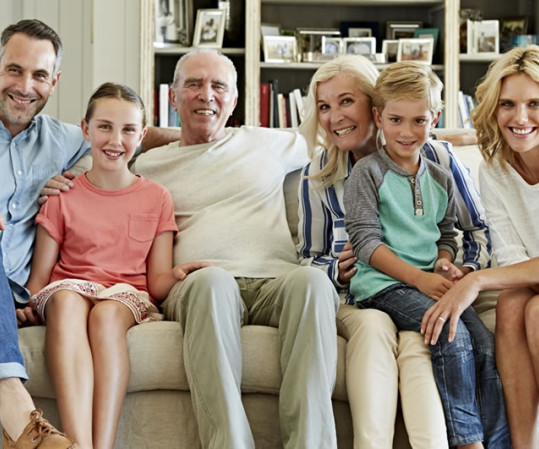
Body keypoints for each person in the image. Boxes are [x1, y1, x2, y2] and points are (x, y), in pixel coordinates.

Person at [129, 49, 340, 449]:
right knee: (212, 282)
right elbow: (98, 158)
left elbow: (356, 135)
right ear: (172, 97)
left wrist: (466, 135)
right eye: (192, 85)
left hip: (276, 280)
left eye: (217, 87)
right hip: (199, 284)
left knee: (312, 282)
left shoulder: (267, 142)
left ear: (234, 100)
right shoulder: (148, 165)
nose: (205, 95)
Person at [297, 54, 493, 449]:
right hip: (368, 292)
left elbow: (469, 232)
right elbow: (308, 257)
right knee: (403, 332)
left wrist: (455, 266)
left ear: (372, 105)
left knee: (467, 341)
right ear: (384, 114)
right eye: (324, 107)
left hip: (427, 284)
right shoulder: (317, 176)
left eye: (346, 101)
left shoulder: (437, 161)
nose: (336, 117)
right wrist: (337, 267)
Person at [0, 18, 178, 448]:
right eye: (14, 70)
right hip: (34, 289)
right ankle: (24, 415)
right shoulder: (69, 191)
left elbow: (132, 133)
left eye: (39, 75)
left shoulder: (61, 139)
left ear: (54, 81)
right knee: (64, 303)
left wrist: (211, 134)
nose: (26, 86)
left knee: (93, 313)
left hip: (15, 291)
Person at [25, 82, 209, 449]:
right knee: (65, 301)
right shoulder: (62, 197)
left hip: (124, 295)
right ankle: (76, 444)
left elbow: (155, 282)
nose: (115, 139)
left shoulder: (157, 197)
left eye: (128, 130)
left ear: (141, 135)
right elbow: (39, 280)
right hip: (67, 289)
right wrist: (22, 305)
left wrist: (176, 276)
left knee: (107, 316)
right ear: (86, 129)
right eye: (105, 126)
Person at [343, 61, 511, 449]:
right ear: (378, 117)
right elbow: (366, 245)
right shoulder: (366, 174)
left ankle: (498, 442)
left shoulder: (441, 176)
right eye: (396, 119)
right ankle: (466, 442)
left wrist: (442, 261)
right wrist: (419, 278)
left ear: (434, 117)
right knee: (451, 334)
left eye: (418, 120)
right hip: (382, 285)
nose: (407, 131)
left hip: (429, 281)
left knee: (485, 343)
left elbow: (447, 234)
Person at [422, 45, 539, 448]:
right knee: (511, 305)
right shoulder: (495, 167)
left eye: (534, 103)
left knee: (537, 311)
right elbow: (510, 257)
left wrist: (475, 281)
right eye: (508, 104)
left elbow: (502, 269)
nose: (520, 118)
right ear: (492, 107)